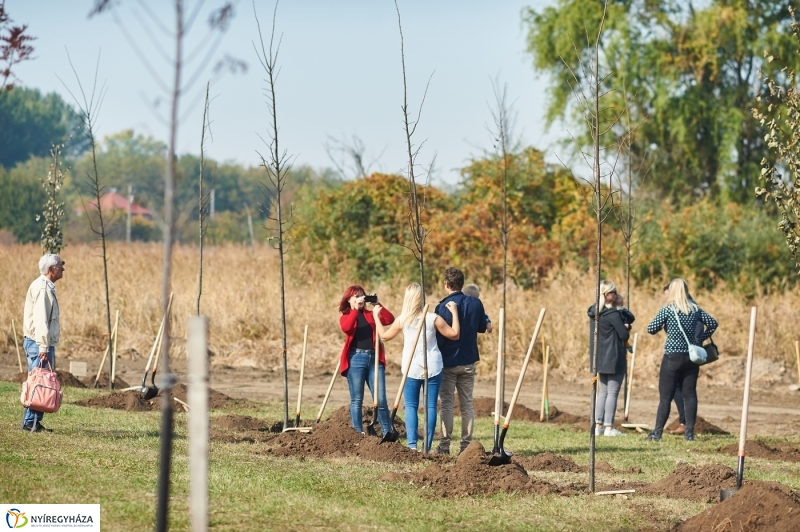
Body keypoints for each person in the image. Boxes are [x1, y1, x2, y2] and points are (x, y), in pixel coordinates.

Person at [373, 283, 460, 451]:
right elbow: (454, 334)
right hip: (432, 366)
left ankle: (412, 445)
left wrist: (376, 316)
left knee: (411, 406)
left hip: (411, 367)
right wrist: (454, 313)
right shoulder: (433, 318)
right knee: (430, 406)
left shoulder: (403, 320)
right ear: (422, 298)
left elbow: (384, 336)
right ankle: (426, 446)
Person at [646, 278, 717, 442]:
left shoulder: (668, 310)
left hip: (672, 356)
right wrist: (699, 340)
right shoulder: (695, 309)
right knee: (690, 395)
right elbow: (713, 323)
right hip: (692, 358)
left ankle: (657, 433)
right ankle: (689, 434)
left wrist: (666, 328)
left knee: (665, 397)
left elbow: (651, 329)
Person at [434, 267, 487, 455]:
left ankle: (444, 445)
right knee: (467, 404)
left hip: (447, 362)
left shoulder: (441, 307)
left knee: (447, 404)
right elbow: (482, 327)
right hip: (468, 361)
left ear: (446, 284)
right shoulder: (475, 303)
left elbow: (438, 337)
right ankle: (466, 446)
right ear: (462, 283)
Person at [338, 285, 395, 435]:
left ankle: (386, 431)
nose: (360, 299)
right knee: (357, 400)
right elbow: (347, 328)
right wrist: (355, 309)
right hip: (355, 358)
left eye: (362, 296)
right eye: (356, 296)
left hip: (374, 358)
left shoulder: (371, 315)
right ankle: (358, 433)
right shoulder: (346, 316)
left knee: (381, 399)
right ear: (349, 300)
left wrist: (377, 303)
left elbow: (390, 319)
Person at [22, 253, 65, 432]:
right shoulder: (42, 288)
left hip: (38, 342)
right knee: (40, 382)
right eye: (60, 265)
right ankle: (31, 422)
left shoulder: (46, 286)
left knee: (39, 381)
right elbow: (41, 320)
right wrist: (43, 346)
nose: (63, 268)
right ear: (51, 270)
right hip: (38, 343)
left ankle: (32, 421)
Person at [661, 283, 706, 435]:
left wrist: (695, 343)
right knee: (685, 392)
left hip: (680, 354)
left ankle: (683, 423)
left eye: (668, 294)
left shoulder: (689, 308)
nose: (667, 298)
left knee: (678, 391)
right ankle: (686, 427)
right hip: (690, 355)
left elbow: (699, 329)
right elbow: (712, 323)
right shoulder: (693, 307)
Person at [588, 280, 631, 437]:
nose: (616, 294)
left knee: (603, 392)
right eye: (614, 292)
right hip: (614, 357)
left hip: (599, 357)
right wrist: (625, 325)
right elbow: (624, 334)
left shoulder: (594, 312)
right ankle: (609, 427)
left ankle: (598, 426)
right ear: (607, 295)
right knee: (612, 393)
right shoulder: (613, 314)